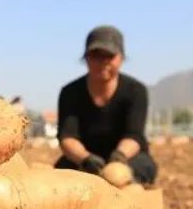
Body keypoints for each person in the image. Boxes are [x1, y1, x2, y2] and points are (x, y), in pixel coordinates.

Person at [54, 25, 158, 184]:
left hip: (127, 156)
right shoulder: (70, 92)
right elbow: (67, 137)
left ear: (121, 58)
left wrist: (119, 156)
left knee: (142, 168)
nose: (102, 62)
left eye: (109, 56)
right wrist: (84, 158)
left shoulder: (136, 91)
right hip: (85, 158)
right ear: (86, 58)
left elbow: (134, 135)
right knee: (61, 173)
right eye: (95, 55)